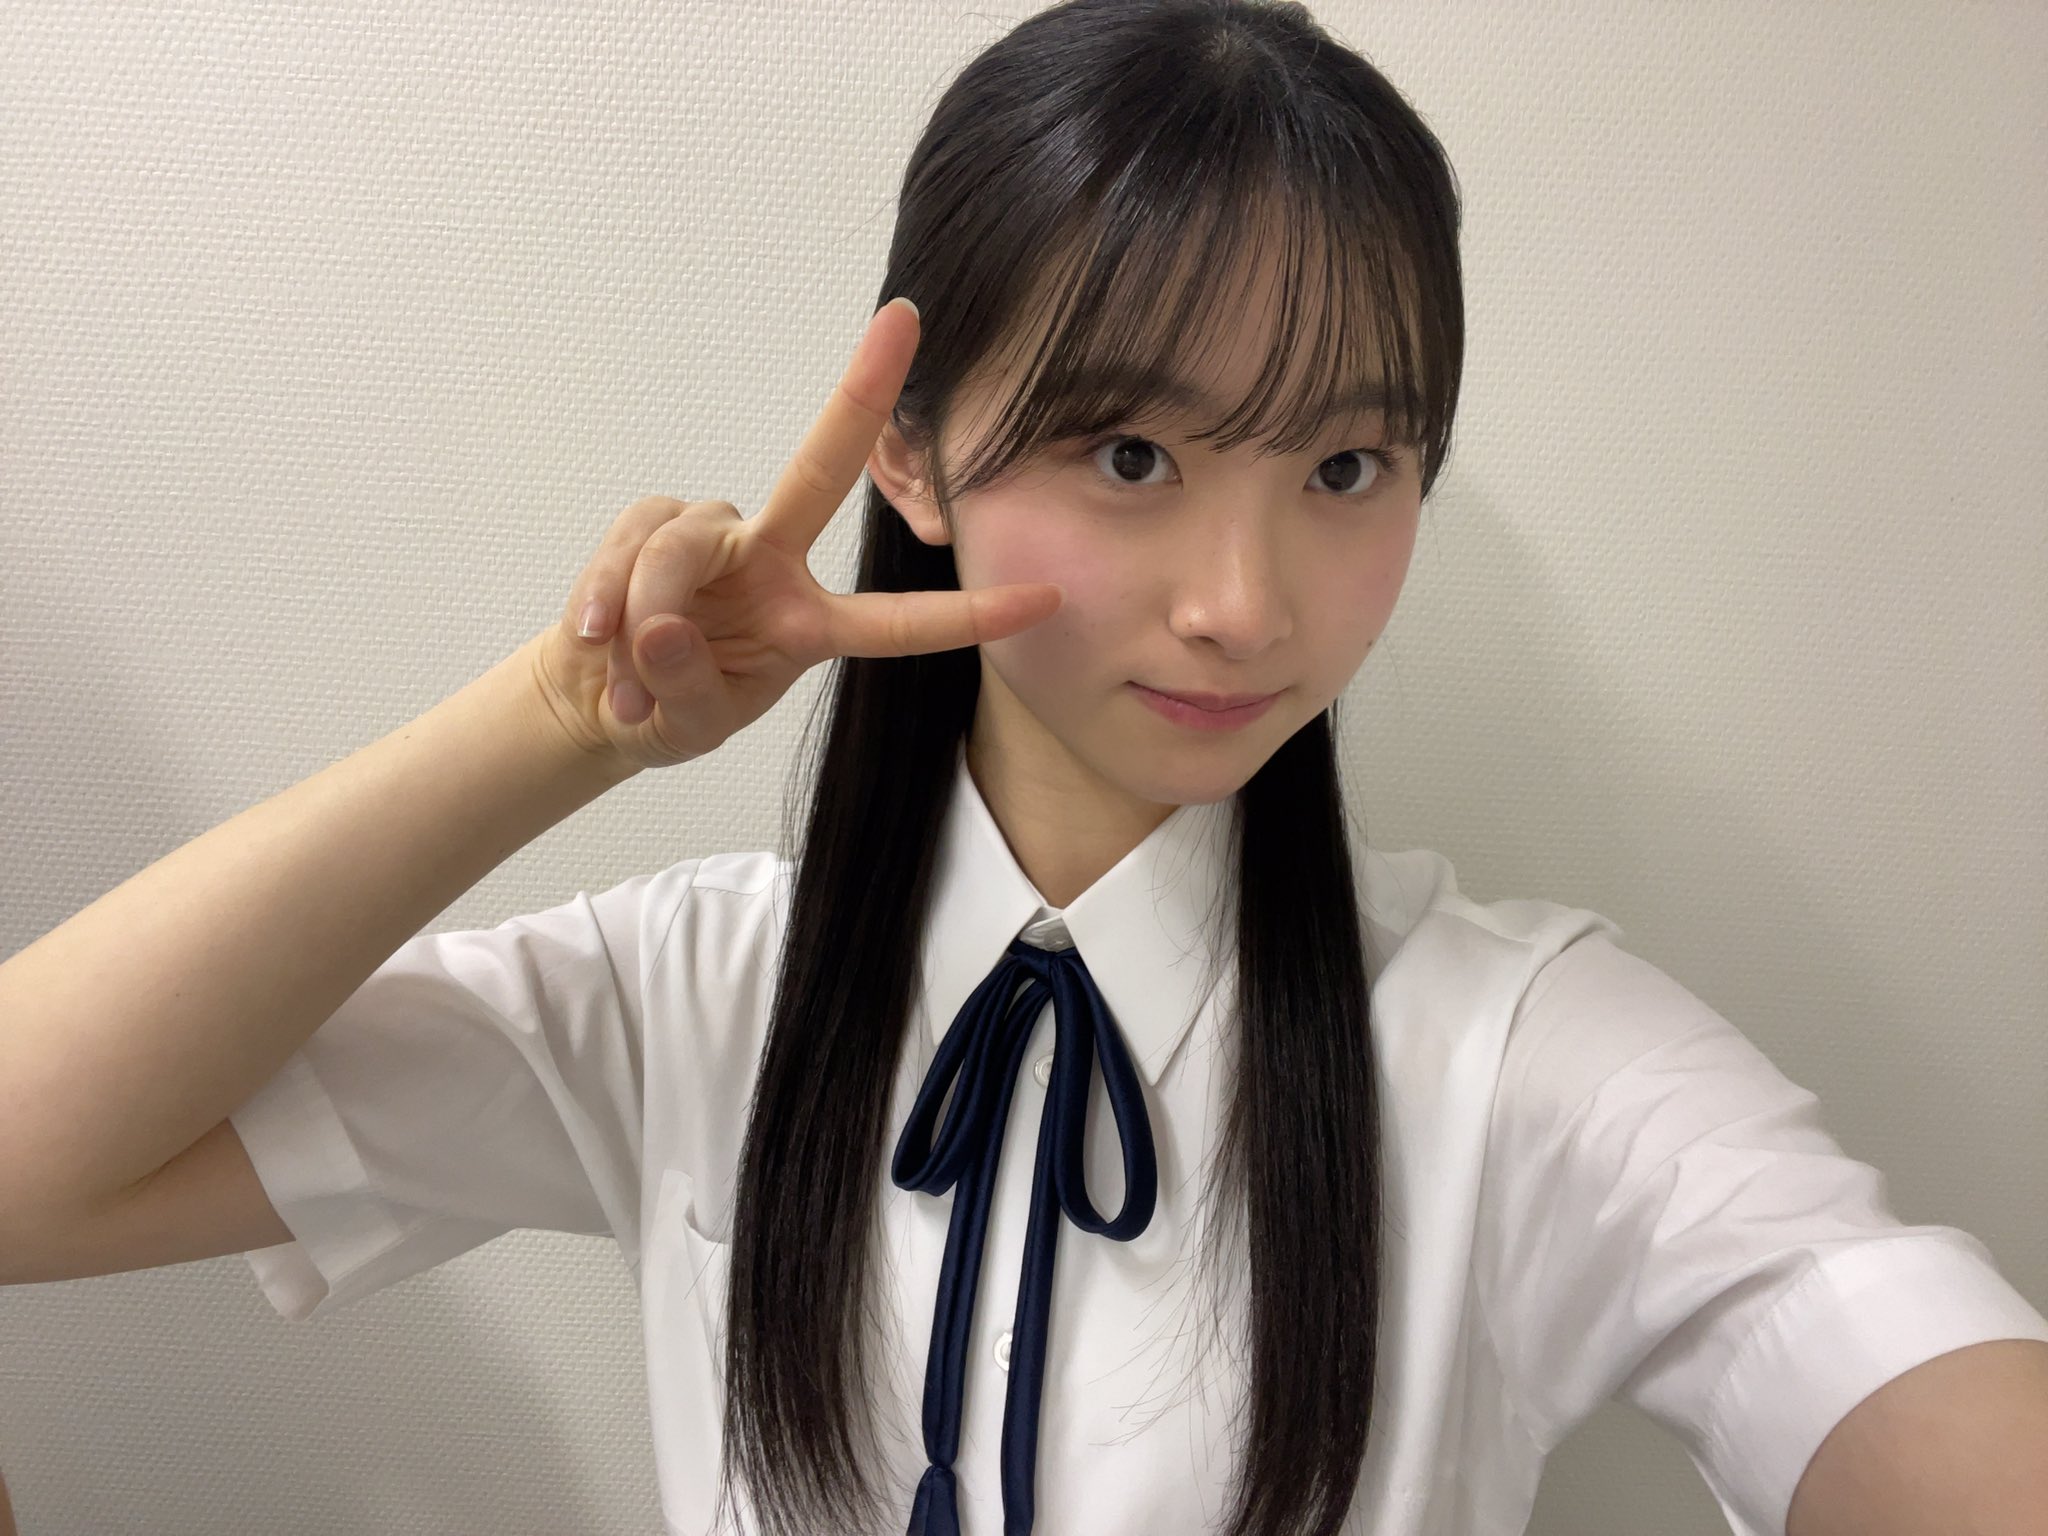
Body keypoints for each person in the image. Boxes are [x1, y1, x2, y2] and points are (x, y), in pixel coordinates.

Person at [4, 2, 2046, 1534]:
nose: (1243, 604)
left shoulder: (1519, 1060)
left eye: (1347, 465)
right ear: (912, 455)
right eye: (1132, 452)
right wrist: (557, 724)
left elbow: (1860, 1334)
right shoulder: (692, 997)